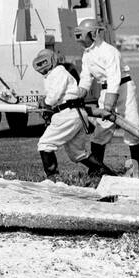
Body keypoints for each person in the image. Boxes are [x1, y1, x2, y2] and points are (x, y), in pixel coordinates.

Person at [73, 18, 139, 177]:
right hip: (106, 91)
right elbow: (86, 79)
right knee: (101, 131)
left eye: (83, 35)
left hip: (124, 89)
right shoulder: (87, 55)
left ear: (94, 34)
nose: (80, 40)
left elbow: (114, 78)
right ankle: (96, 171)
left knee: (133, 129)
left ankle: (138, 172)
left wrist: (108, 106)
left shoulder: (110, 51)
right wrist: (77, 95)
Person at [33, 49, 116, 184]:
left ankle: (52, 179)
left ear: (52, 60)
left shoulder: (58, 72)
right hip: (75, 113)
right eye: (39, 63)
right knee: (77, 153)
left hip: (67, 114)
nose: (42, 66)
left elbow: (53, 97)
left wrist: (45, 102)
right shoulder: (56, 74)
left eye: (44, 61)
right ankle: (109, 174)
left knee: (45, 144)